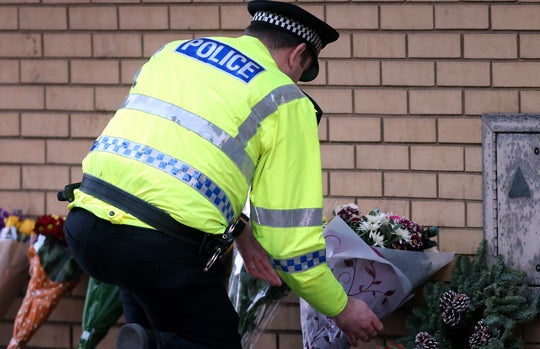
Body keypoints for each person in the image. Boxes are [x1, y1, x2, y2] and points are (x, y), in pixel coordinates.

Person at [62, 1, 384, 348]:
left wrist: (241, 229)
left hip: (86, 227)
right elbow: (290, 245)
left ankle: (149, 343)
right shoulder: (284, 97)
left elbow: (172, 164)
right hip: (157, 247)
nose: (294, 82)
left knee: (149, 318)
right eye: (299, 72)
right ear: (298, 54)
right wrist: (342, 307)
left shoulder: (174, 54)